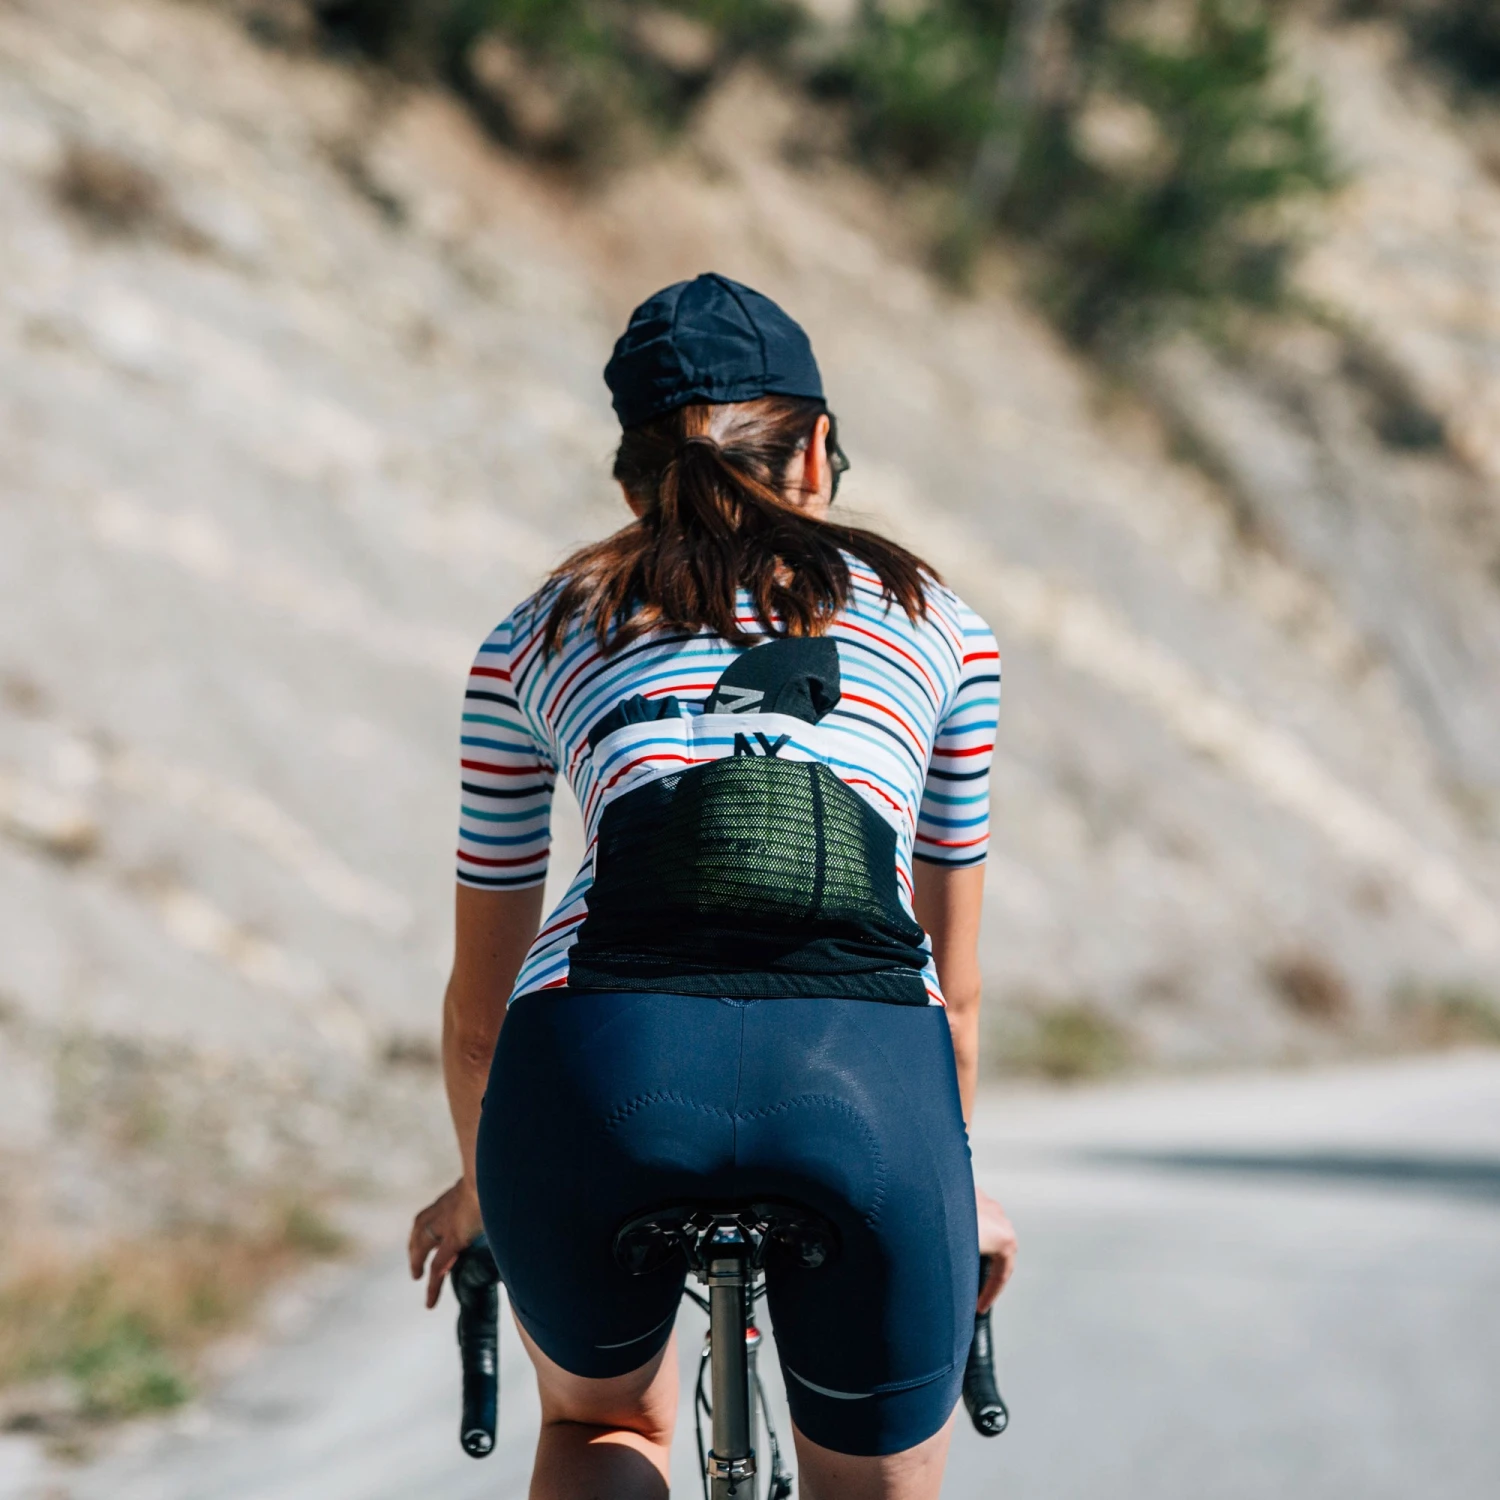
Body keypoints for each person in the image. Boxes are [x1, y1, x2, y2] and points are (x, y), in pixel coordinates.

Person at [410, 272, 1017, 1500]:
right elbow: (951, 997)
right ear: (818, 453)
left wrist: (487, 1188)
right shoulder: (941, 624)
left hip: (595, 1073)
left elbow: (479, 1017)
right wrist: (958, 1190)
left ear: (632, 476)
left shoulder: (534, 634)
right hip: (866, 1083)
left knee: (603, 1427)